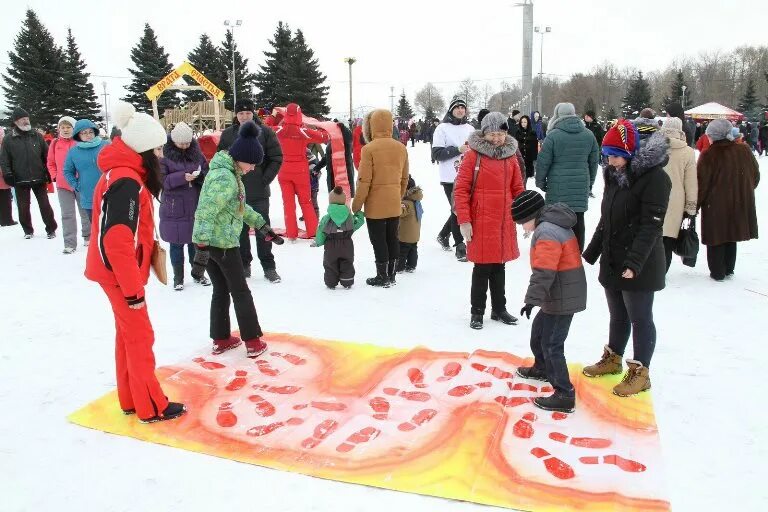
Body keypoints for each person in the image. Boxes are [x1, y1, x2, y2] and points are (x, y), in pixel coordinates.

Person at [84, 101, 185, 423]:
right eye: (156, 150)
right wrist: (132, 291)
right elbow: (116, 240)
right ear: (141, 150)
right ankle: (150, 405)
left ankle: (131, 398)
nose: (160, 157)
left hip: (113, 272)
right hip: (118, 275)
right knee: (140, 338)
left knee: (127, 337)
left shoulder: (121, 173)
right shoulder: (126, 180)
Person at [582, 120, 671, 397]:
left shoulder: (656, 178)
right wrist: (592, 250)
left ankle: (640, 372)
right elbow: (606, 217)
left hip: (639, 262)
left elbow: (651, 226)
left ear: (632, 153)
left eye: (616, 154)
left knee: (639, 317)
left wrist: (634, 264)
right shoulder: (613, 172)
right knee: (617, 314)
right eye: (607, 154)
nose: (611, 160)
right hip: (613, 257)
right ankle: (613, 359)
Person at [193, 121, 284, 358]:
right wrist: (201, 245)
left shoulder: (230, 173)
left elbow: (241, 208)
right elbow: (206, 210)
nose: (253, 168)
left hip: (215, 242)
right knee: (240, 291)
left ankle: (221, 338)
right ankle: (253, 341)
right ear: (241, 157)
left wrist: (264, 228)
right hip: (220, 244)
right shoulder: (225, 178)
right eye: (252, 163)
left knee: (221, 290)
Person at [513, 190, 586, 414]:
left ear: (531, 216)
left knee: (552, 344)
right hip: (559, 292)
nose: (522, 228)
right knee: (539, 331)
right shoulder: (551, 224)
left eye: (522, 222)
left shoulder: (546, 232)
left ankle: (564, 393)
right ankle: (542, 368)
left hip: (562, 295)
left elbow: (544, 271)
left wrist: (531, 300)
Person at [453, 112, 525, 330]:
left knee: (499, 268)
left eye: (501, 134)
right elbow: (461, 190)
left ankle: (499, 308)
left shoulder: (510, 156)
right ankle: (477, 311)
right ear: (484, 134)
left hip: (504, 221)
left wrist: (524, 213)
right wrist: (464, 221)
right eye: (492, 134)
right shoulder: (473, 156)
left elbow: (518, 189)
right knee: (482, 269)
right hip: (481, 221)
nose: (497, 138)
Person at [218, 99, 284, 283]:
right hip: (236, 192)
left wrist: (265, 179)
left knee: (263, 229)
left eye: (248, 113)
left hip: (259, 192)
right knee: (240, 231)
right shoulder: (228, 134)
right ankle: (244, 265)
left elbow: (276, 157)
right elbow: (221, 158)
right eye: (240, 113)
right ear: (236, 115)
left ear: (253, 114)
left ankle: (269, 267)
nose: (244, 116)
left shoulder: (265, 132)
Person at [696, 118, 760, 281]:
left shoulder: (709, 154)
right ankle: (729, 268)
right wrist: (743, 190)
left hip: (715, 205)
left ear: (714, 136)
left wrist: (694, 205)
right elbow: (755, 176)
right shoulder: (744, 150)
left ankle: (717, 272)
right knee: (731, 234)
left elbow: (701, 184)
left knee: (716, 237)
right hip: (738, 202)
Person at [352, 109, 409, 287]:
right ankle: (392, 275)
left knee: (378, 241)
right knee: (392, 238)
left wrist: (356, 205)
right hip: (393, 202)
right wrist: (397, 196)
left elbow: (364, 180)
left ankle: (382, 276)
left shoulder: (369, 149)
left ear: (372, 126)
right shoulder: (401, 147)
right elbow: (404, 178)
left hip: (375, 206)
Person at [535, 102, 600, 251]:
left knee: (555, 218)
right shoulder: (588, 135)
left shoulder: (553, 135)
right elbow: (594, 162)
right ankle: (576, 253)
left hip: (558, 186)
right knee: (578, 218)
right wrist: (590, 182)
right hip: (580, 185)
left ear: (558, 115)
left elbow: (543, 162)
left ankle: (557, 250)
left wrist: (540, 181)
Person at [159, 122, 210, 290]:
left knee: (195, 244)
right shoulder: (164, 156)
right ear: (173, 141)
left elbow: (206, 170)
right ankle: (178, 278)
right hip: (174, 207)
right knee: (176, 244)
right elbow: (161, 181)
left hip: (195, 203)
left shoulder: (197, 153)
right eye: (181, 143)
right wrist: (182, 177)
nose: (185, 146)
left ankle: (198, 273)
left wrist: (200, 176)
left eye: (188, 143)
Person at [0, 107, 57, 239]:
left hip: (39, 177)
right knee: (23, 207)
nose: (26, 121)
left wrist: (48, 171)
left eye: (27, 119)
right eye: (22, 119)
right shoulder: (8, 139)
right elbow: (4, 160)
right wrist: (8, 174)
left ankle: (51, 229)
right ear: (15, 122)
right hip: (19, 179)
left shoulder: (37, 136)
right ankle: (28, 231)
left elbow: (47, 156)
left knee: (45, 205)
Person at [275, 103, 328, 241]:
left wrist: (273, 117)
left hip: (284, 170)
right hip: (301, 171)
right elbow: (324, 137)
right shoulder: (303, 131)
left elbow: (264, 129)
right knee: (306, 202)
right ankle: (313, 232)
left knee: (288, 204)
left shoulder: (279, 130)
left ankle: (291, 234)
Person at [432, 98, 475, 261]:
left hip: (469, 175)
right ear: (451, 110)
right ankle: (459, 245)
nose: (460, 110)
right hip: (450, 177)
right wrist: (457, 150)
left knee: (460, 208)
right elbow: (436, 154)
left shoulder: (470, 128)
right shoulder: (442, 128)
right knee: (457, 209)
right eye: (457, 107)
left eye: (462, 107)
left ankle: (443, 235)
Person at [659, 117, 697, 271]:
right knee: (668, 237)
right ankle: (663, 269)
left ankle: (653, 268)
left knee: (654, 234)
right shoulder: (688, 152)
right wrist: (691, 208)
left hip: (655, 195)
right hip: (676, 199)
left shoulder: (655, 147)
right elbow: (691, 182)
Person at [47, 116, 88, 252]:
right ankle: (69, 243)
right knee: (67, 214)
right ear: (59, 129)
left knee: (85, 212)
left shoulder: (79, 142)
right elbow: (51, 163)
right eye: (62, 127)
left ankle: (88, 236)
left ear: (74, 128)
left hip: (80, 183)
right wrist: (54, 175)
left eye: (68, 127)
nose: (65, 130)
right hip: (63, 185)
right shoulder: (54, 143)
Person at [315, 186, 365, 289]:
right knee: (347, 262)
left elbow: (321, 230)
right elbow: (358, 223)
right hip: (346, 245)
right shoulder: (349, 217)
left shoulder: (326, 218)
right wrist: (359, 214)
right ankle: (347, 282)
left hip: (330, 246)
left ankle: (331, 282)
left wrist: (319, 242)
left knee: (330, 264)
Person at [63, 119, 109, 224]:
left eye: (90, 132)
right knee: (96, 227)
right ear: (78, 135)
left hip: (109, 192)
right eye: (83, 133)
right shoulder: (73, 152)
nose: (88, 135)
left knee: (113, 228)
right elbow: (67, 171)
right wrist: (76, 185)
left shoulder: (106, 145)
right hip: (88, 195)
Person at [397, 176, 423, 273]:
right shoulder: (416, 202)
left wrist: (396, 205)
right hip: (415, 234)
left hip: (405, 234)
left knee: (402, 251)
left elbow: (400, 212)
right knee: (413, 250)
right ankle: (411, 266)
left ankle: (399, 267)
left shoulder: (406, 203)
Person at [514, 114, 538, 187]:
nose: (523, 124)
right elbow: (516, 145)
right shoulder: (518, 132)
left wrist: (534, 158)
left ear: (528, 123)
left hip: (528, 159)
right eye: (522, 122)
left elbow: (534, 146)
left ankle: (523, 191)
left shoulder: (532, 133)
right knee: (519, 176)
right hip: (519, 158)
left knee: (526, 177)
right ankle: (521, 191)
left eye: (525, 122)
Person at [0, 128, 17, 226]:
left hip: (3, 177)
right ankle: (6, 220)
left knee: (5, 199)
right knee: (5, 199)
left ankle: (5, 219)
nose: (2, 137)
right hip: (3, 177)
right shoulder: (2, 147)